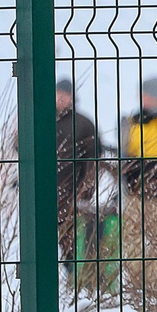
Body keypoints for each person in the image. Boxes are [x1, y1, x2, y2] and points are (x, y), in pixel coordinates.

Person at [53, 78, 104, 267]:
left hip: (70, 193)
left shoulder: (83, 124)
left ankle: (72, 279)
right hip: (43, 192)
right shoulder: (40, 120)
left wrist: (85, 190)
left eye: (65, 95)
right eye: (58, 93)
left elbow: (93, 160)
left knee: (70, 241)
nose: (61, 98)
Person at [119, 75, 157, 197]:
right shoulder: (134, 120)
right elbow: (125, 151)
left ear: (154, 96)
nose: (140, 98)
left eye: (143, 94)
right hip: (134, 193)